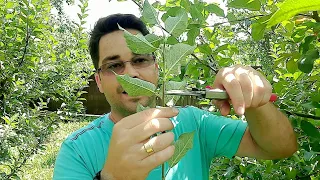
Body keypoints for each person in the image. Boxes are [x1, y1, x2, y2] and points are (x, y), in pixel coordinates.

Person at [53, 14, 297, 180]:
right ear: (98, 81)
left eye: (140, 60)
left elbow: (281, 148)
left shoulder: (194, 123)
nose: (131, 73)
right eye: (114, 66)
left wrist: (255, 102)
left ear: (157, 68)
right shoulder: (77, 149)